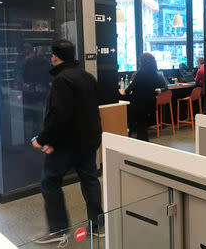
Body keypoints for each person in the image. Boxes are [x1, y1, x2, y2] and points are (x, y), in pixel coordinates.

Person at [32, 39, 103, 244]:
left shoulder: (61, 80)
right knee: (89, 179)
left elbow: (58, 115)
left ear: (55, 56)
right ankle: (97, 226)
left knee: (49, 181)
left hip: (67, 143)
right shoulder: (86, 76)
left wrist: (42, 139)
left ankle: (58, 229)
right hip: (89, 140)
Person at [119, 53, 167, 141]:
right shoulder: (155, 74)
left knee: (139, 125)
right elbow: (163, 87)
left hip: (139, 103)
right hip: (150, 103)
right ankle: (144, 142)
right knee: (143, 125)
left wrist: (124, 92)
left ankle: (140, 142)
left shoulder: (140, 73)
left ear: (142, 62)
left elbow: (131, 88)